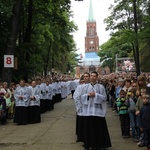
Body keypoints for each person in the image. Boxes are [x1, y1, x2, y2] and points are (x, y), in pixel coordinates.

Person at [79, 71, 111, 150]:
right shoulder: (85, 87)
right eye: (91, 76)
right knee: (88, 128)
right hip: (88, 111)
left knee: (98, 129)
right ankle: (88, 144)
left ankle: (99, 144)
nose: (92, 77)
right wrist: (88, 95)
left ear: (97, 77)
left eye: (94, 76)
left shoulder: (100, 87)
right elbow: (81, 97)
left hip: (97, 112)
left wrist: (96, 95)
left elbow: (104, 97)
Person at [73, 72, 90, 143]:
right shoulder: (79, 87)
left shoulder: (91, 86)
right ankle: (80, 136)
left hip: (88, 107)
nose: (85, 78)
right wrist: (79, 102)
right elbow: (76, 96)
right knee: (81, 122)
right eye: (84, 77)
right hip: (81, 106)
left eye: (87, 76)